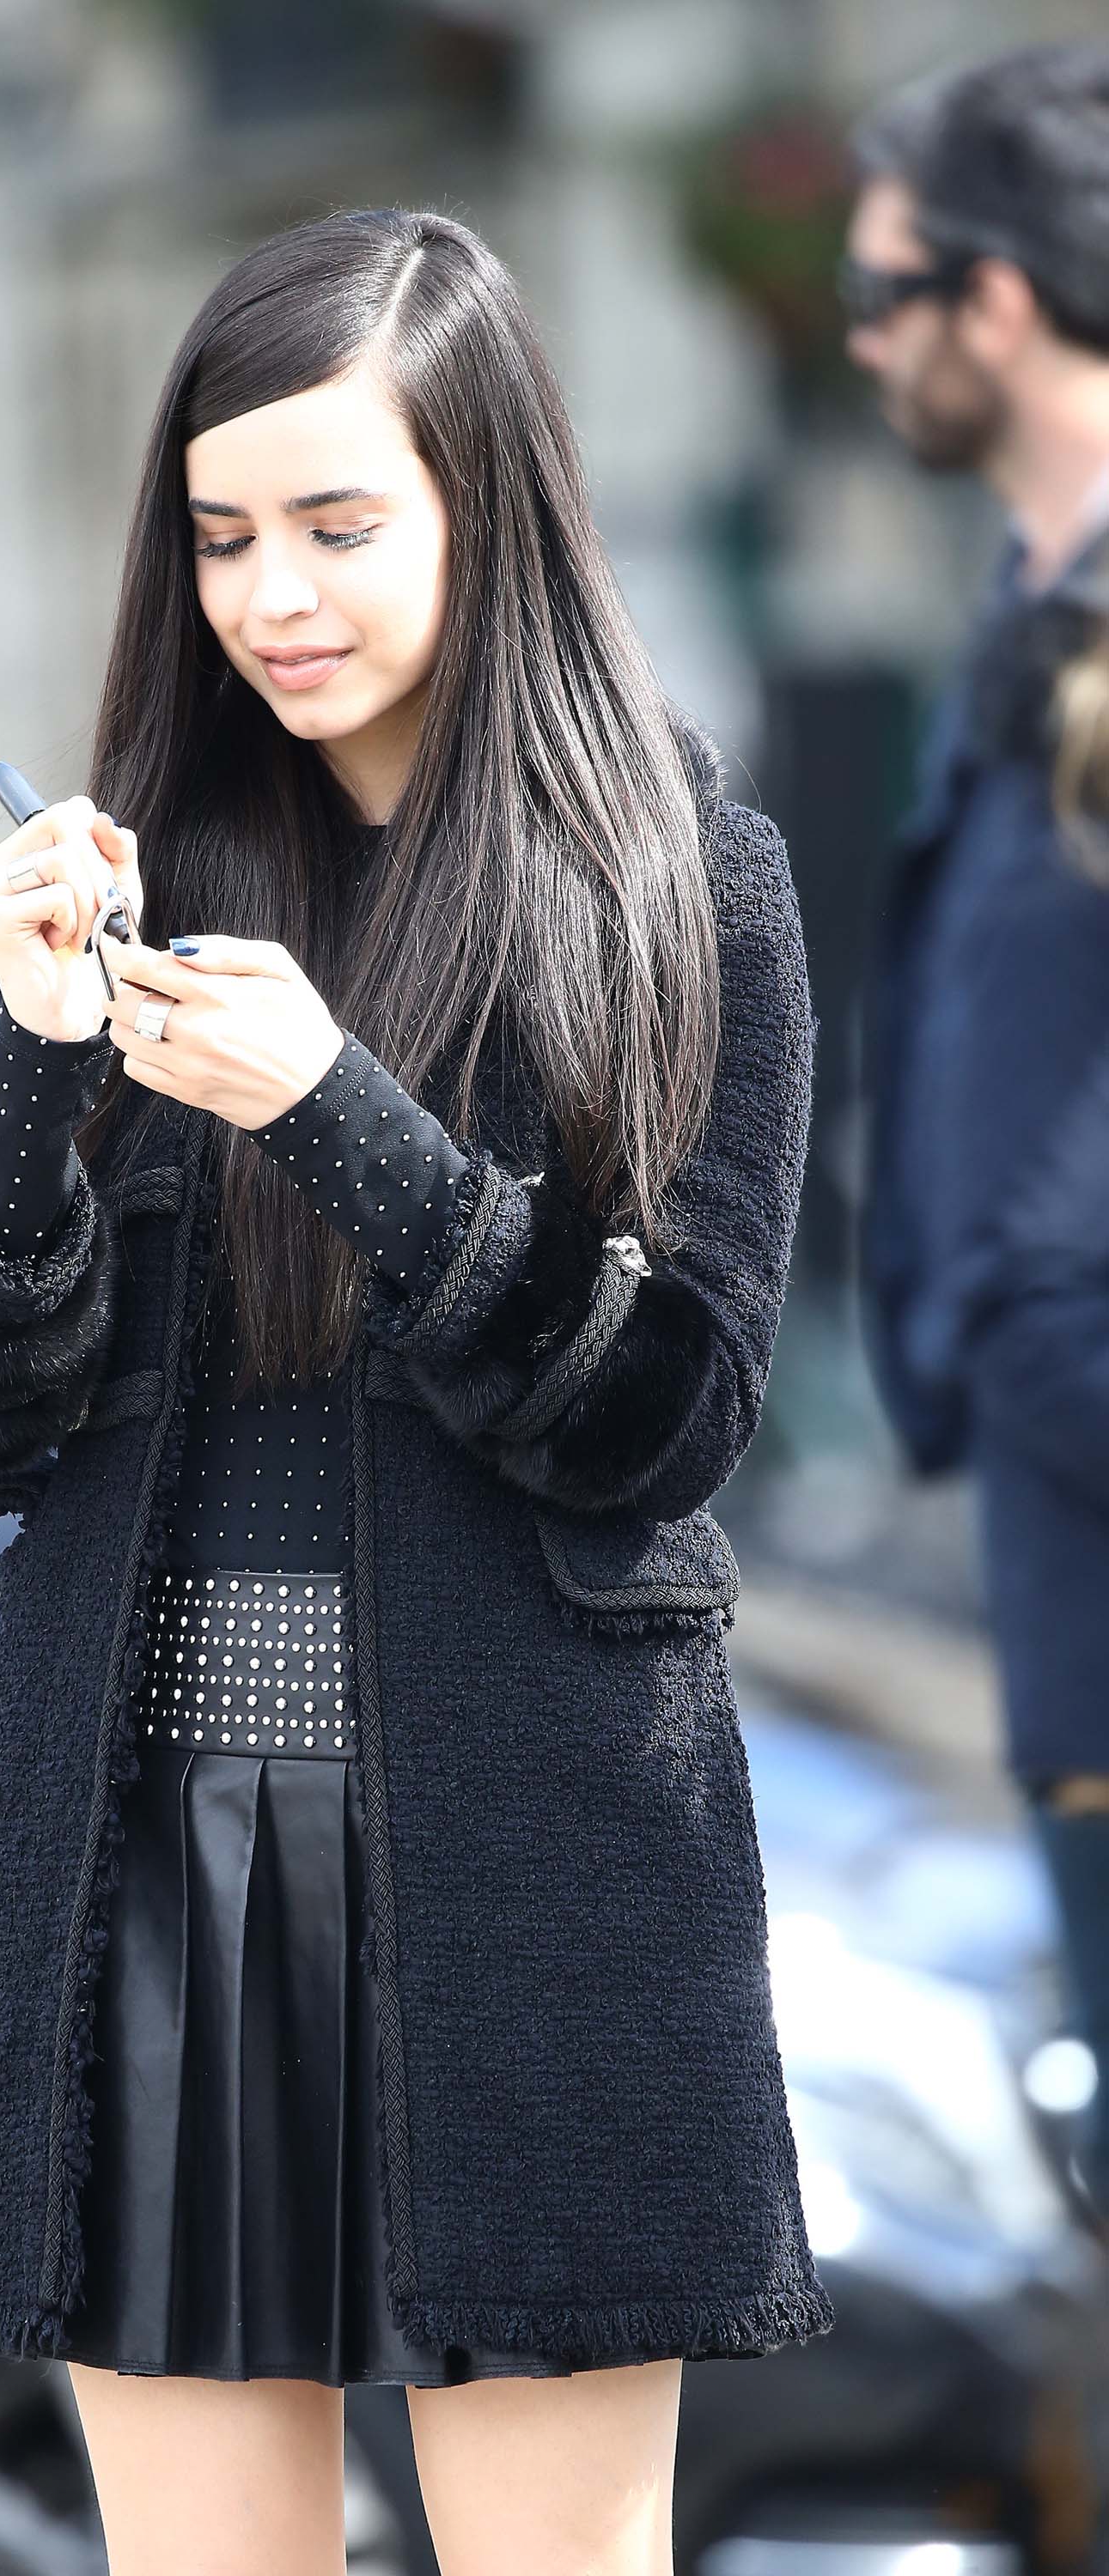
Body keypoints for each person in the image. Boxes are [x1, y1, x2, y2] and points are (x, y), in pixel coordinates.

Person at [0, 206, 831, 2576]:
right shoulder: (142, 879)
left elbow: (670, 1419)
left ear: (485, 513)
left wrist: (345, 1126)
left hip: (523, 1862)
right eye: (218, 539)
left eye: (334, 524)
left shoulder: (677, 884)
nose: (269, 594)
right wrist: (32, 1065)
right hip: (139, 1866)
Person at [845, 46, 1109, 2220]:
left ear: (996, 301)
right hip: (1053, 1568)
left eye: (883, 291)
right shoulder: (1031, 606)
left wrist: (1021, 1323)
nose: (860, 340)